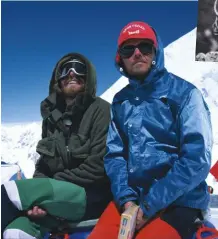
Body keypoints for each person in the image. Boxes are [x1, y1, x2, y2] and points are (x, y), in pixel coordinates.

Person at [87, 21, 216, 239]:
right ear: (121, 59)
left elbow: (196, 160)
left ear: (156, 52)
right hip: (132, 199)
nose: (137, 54)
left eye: (145, 47)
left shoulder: (185, 95)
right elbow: (115, 156)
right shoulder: (120, 102)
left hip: (180, 199)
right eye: (128, 49)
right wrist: (127, 200)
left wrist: (149, 206)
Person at [1, 52, 112, 239]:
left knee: (8, 195)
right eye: (65, 70)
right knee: (16, 231)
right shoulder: (52, 118)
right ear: (57, 79)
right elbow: (44, 164)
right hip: (55, 199)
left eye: (79, 69)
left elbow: (98, 167)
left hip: (90, 197)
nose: (72, 73)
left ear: (89, 77)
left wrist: (47, 187)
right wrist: (38, 202)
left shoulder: (101, 110)